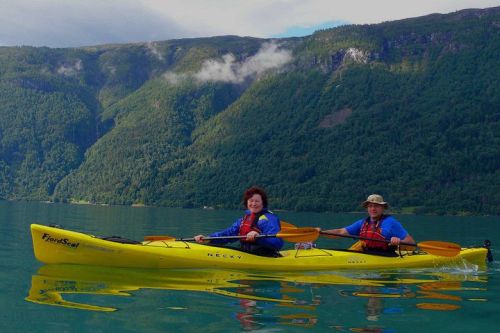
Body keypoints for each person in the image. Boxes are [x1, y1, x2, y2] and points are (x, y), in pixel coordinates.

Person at [194, 186, 284, 257]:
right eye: (251, 201)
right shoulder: (244, 219)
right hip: (245, 253)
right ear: (246, 202)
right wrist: (208, 239)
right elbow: (228, 234)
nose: (253, 204)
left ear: (263, 203)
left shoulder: (269, 219)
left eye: (257, 201)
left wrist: (259, 237)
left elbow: (277, 243)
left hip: (264, 256)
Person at [322, 194, 415, 253]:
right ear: (367, 208)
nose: (373, 209)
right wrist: (322, 233)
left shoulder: (391, 223)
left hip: (387, 256)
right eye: (370, 206)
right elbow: (341, 232)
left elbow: (411, 243)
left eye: (376, 206)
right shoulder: (363, 223)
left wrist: (399, 242)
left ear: (382, 208)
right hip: (367, 254)